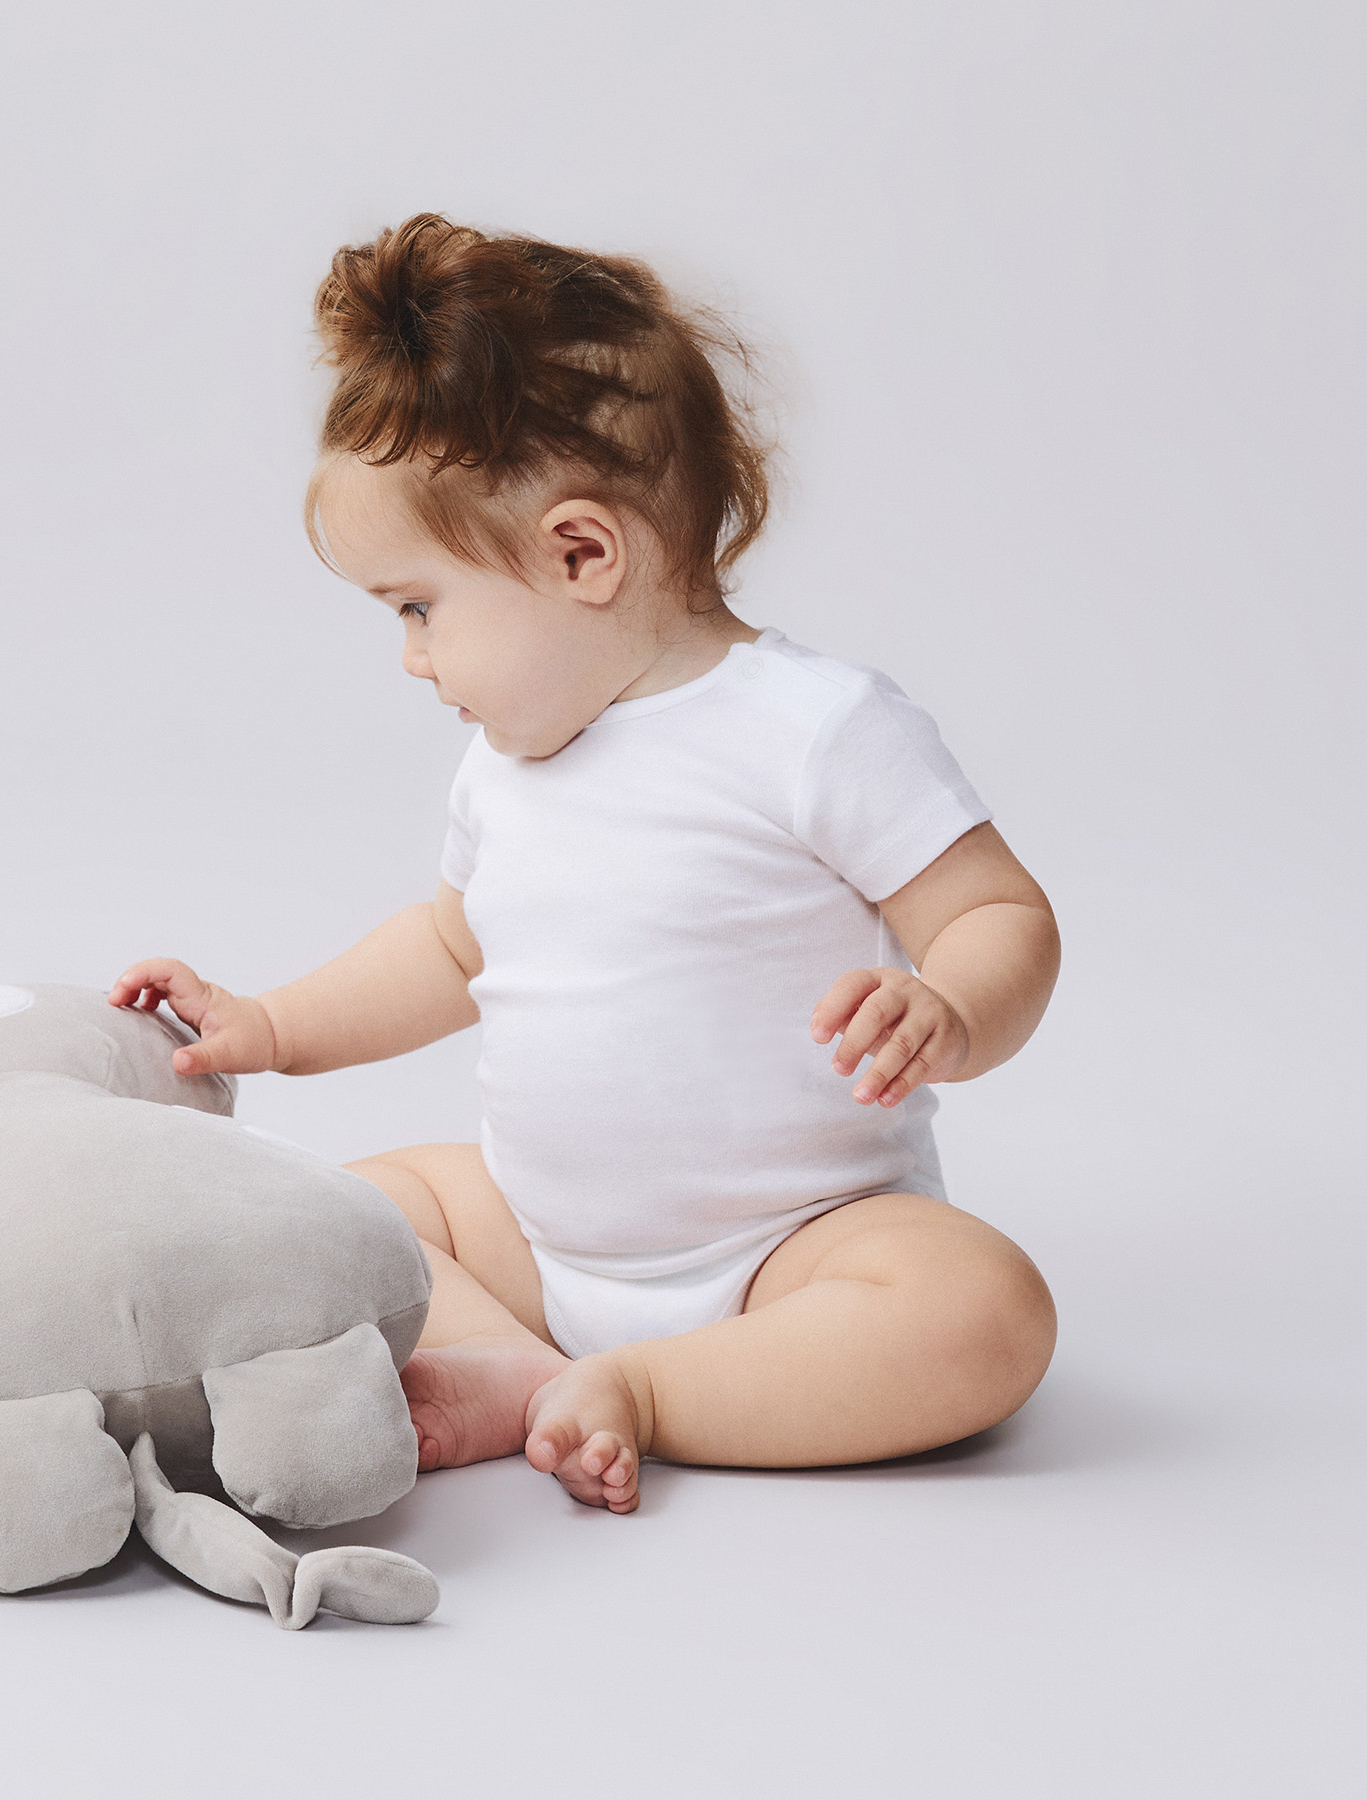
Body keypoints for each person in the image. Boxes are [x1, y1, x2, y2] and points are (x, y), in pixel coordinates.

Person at [111, 214, 1058, 1513]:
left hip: (792, 1252)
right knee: (360, 1207)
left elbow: (1000, 911)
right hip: (542, 1245)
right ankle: (517, 1367)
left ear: (582, 554)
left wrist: (951, 1006)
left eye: (419, 607)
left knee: (982, 1309)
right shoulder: (505, 767)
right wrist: (272, 1025)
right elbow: (450, 947)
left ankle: (657, 1390)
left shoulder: (816, 728)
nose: (412, 659)